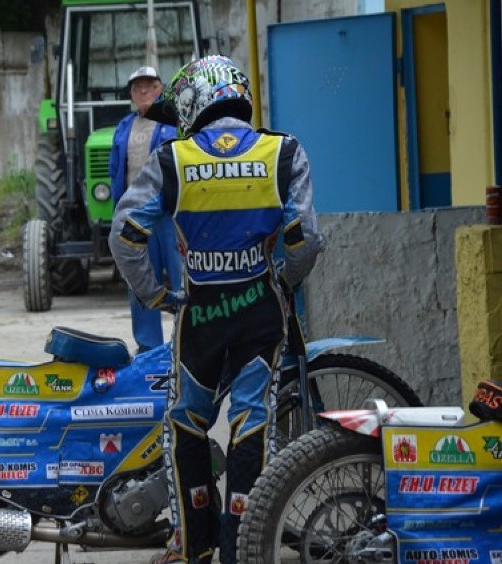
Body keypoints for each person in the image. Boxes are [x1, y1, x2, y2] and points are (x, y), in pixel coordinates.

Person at [108, 56, 324, 564]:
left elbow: (125, 235)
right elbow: (306, 239)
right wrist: (283, 279)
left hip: (199, 316)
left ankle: (194, 546)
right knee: (252, 422)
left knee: (186, 421)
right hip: (259, 311)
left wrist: (156, 294)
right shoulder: (284, 152)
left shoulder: (172, 158)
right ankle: (244, 548)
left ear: (192, 101)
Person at [109, 65, 182, 353]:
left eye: (149, 86)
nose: (143, 91)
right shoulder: (124, 126)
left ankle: (186, 339)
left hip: (169, 215)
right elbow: (116, 168)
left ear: (160, 89)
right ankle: (148, 346)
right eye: (137, 87)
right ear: (131, 93)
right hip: (136, 215)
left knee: (181, 277)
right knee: (140, 279)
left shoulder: (174, 124)